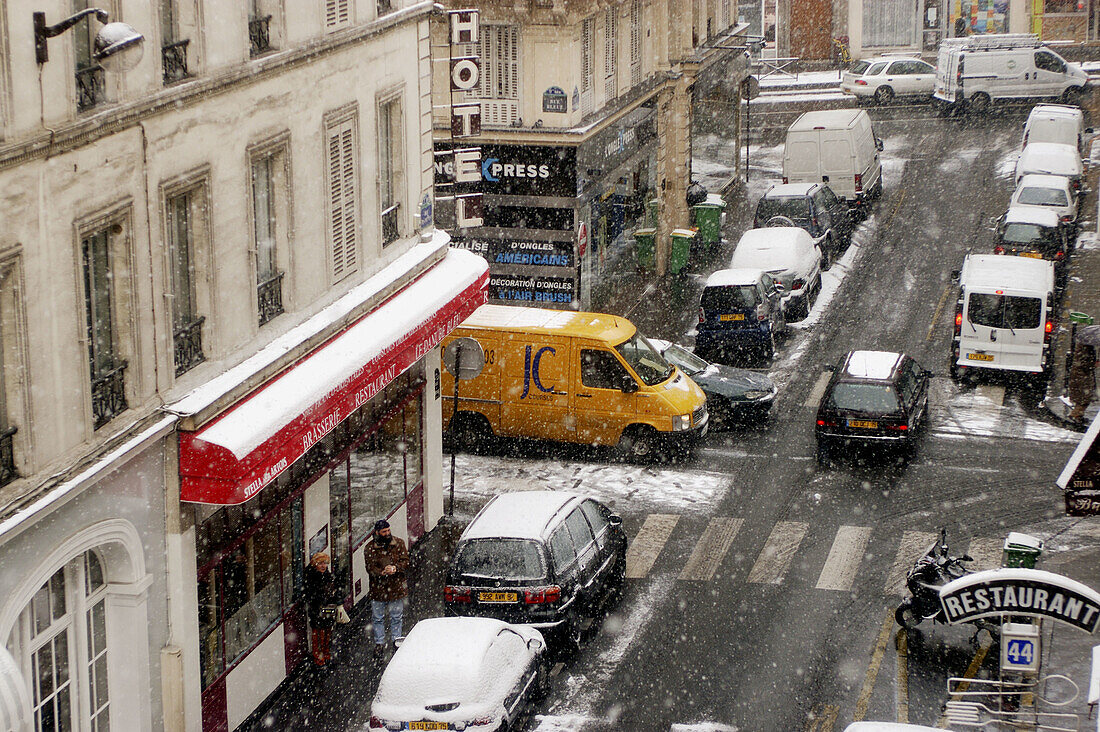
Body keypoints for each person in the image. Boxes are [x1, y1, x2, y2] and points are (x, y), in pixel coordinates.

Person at [364, 519, 409, 655]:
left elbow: (405, 561)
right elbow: (370, 567)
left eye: (388, 530)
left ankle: (396, 641)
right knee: (378, 618)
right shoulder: (370, 548)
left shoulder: (399, 543)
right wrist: (382, 572)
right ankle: (379, 643)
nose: (387, 533)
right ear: (377, 532)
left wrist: (396, 568)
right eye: (384, 531)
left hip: (396, 588)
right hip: (378, 589)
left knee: (396, 617)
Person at [304, 552, 340, 666]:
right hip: (317, 609)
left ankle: (325, 654)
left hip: (327, 607)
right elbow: (311, 595)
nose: (323, 566)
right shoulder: (311, 577)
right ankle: (319, 657)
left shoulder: (327, 575)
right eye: (320, 563)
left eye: (325, 563)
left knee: (328, 630)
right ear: (315, 564)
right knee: (319, 633)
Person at [1067, 342, 1097, 423]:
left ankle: (1077, 415)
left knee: (1083, 399)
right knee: (1083, 399)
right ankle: (1075, 415)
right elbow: (1084, 364)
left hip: (1082, 376)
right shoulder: (1085, 349)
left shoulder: (1086, 347)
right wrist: (1094, 364)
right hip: (1082, 377)